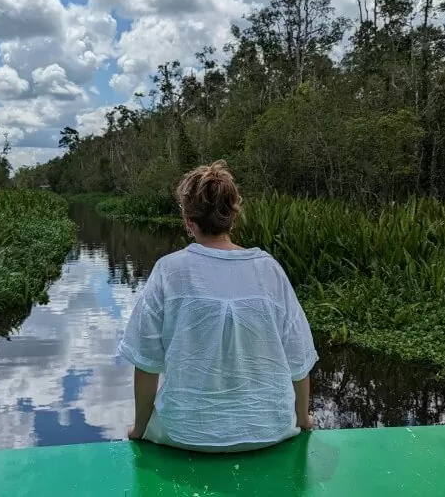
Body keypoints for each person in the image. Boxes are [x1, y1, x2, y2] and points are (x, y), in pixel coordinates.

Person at [117, 160, 318, 453]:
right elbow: (298, 360)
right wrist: (303, 419)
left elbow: (146, 362)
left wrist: (140, 428)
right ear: (232, 216)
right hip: (269, 431)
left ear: (188, 220)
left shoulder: (169, 270)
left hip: (185, 435)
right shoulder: (269, 270)